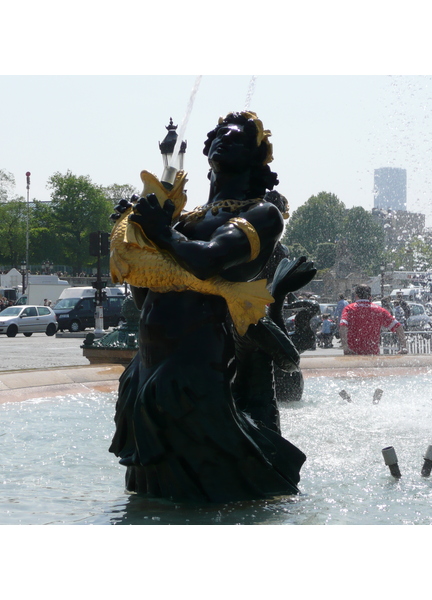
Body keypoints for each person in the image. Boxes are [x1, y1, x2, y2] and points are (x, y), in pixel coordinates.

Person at [108, 111, 306, 503]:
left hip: (193, 365)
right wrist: (135, 246)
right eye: (218, 133)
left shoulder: (261, 215)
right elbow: (147, 290)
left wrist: (161, 233)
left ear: (257, 158)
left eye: (237, 136)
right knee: (148, 490)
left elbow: (208, 259)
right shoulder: (188, 217)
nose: (223, 135)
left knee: (196, 492)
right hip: (146, 365)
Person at [340, 284, 407, 355]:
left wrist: (345, 347)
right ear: (370, 296)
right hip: (373, 354)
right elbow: (398, 327)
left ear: (356, 296)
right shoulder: (379, 310)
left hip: (353, 353)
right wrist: (404, 347)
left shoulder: (349, 309)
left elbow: (343, 327)